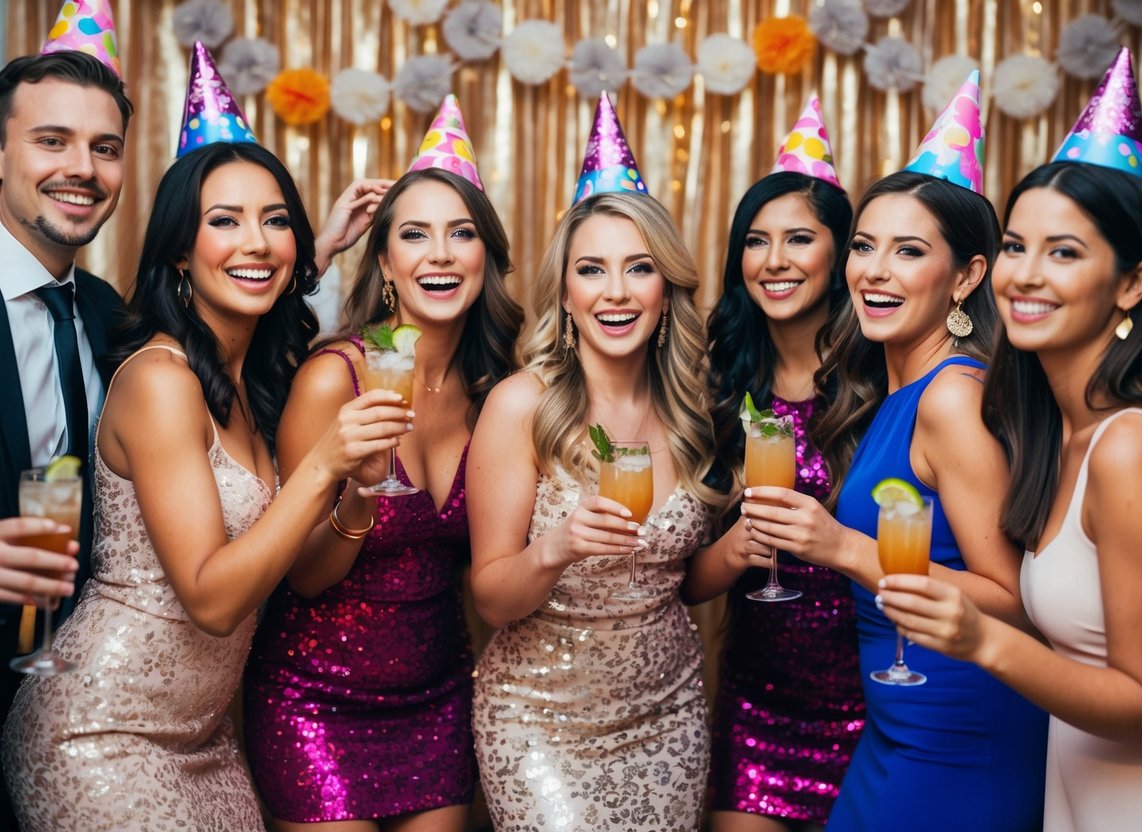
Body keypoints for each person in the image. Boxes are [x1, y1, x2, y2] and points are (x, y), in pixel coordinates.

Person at [0, 140, 409, 831]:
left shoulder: (258, 382)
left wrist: (360, 492)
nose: (256, 241)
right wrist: (323, 464)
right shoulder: (161, 383)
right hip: (99, 733)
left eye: (275, 220)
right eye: (225, 221)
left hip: (205, 739)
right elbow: (213, 601)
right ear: (180, 251)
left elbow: (306, 575)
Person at [877, 51, 1142, 832]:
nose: (1024, 275)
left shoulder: (1137, 446)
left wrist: (980, 640)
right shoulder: (1057, 432)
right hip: (1081, 794)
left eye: (1063, 252)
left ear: (1132, 283)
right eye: (1017, 246)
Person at [739, 74, 1048, 830]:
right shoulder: (890, 392)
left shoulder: (952, 397)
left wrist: (842, 547)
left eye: (908, 252)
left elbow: (1014, 603)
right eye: (865, 247)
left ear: (967, 276)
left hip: (955, 732)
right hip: (895, 727)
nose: (873, 271)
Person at [243, 96, 523, 832]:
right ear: (388, 262)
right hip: (315, 702)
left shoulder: (497, 390)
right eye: (415, 235)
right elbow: (302, 574)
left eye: (461, 234)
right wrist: (359, 500)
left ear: (484, 258)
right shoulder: (336, 378)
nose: (439, 253)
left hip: (436, 700)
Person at [468, 91, 725, 832]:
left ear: (666, 290)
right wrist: (558, 545)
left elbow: (677, 580)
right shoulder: (523, 405)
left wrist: (737, 552)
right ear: (566, 293)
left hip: (666, 713)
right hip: (538, 720)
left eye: (638, 269)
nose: (615, 292)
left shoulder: (690, 411)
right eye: (591, 270)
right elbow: (491, 597)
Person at [686, 95, 864, 832]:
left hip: (874, 705)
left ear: (841, 253)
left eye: (800, 239)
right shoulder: (721, 387)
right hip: (756, 702)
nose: (775, 261)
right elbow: (686, 583)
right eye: (756, 242)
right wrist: (733, 551)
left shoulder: (882, 386)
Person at [0, 46, 131, 827]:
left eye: (104, 148)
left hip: (74, 700)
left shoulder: (108, 313)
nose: (81, 167)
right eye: (52, 140)